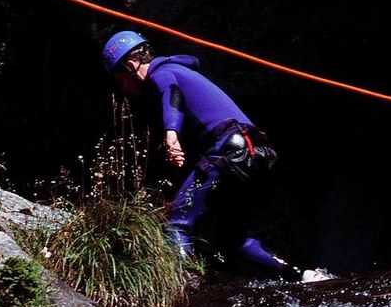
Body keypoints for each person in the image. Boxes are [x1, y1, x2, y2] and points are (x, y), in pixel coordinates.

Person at [102, 30, 304, 279]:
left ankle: (183, 291)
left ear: (130, 64)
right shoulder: (184, 71)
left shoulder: (162, 73)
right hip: (257, 154)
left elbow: (171, 93)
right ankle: (298, 275)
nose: (123, 87)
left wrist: (171, 133)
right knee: (233, 238)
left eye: (120, 79)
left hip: (231, 151)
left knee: (177, 222)